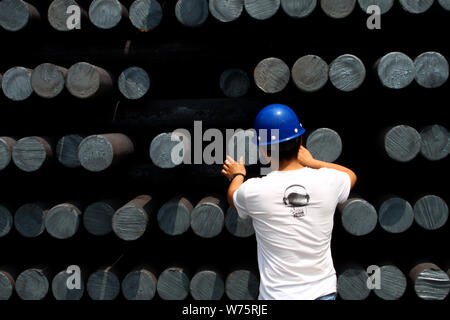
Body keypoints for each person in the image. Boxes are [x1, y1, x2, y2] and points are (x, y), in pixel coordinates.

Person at [221, 104, 357, 300]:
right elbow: (350, 175)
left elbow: (233, 195)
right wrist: (313, 162)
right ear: (301, 140)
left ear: (264, 151)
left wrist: (238, 174)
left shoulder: (254, 190)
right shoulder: (329, 181)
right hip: (323, 293)